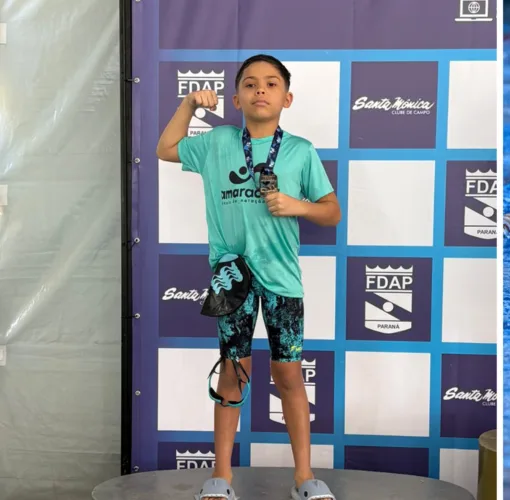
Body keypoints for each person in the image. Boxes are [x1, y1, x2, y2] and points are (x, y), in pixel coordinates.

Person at [156, 54, 341, 500]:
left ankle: (304, 478)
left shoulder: (300, 151)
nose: (261, 90)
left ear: (287, 98)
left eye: (272, 83)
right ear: (236, 97)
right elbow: (165, 149)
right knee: (233, 372)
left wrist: (297, 206)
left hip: (282, 281)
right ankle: (221, 476)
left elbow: (332, 212)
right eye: (251, 84)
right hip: (232, 279)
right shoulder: (217, 142)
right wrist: (188, 106)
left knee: (289, 375)